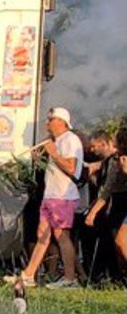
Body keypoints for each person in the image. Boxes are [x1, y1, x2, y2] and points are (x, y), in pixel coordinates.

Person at [20, 105, 86, 290]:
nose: (47, 123)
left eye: (51, 120)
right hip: (51, 195)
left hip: (63, 195)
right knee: (43, 234)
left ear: (61, 122)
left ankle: (70, 278)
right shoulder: (56, 141)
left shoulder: (70, 139)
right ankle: (28, 274)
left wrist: (53, 153)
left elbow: (72, 168)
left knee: (61, 235)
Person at [83, 124, 127, 284]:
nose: (115, 147)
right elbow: (106, 187)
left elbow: (107, 189)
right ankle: (118, 276)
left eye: (118, 144)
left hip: (121, 200)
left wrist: (93, 212)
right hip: (117, 201)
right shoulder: (112, 161)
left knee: (119, 240)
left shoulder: (117, 161)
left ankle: (117, 274)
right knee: (116, 241)